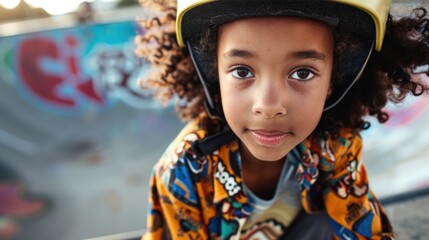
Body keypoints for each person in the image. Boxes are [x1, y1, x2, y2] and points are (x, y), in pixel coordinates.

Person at [135, 0, 429, 239]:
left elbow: (364, 230)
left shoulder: (335, 145)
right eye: (241, 71)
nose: (268, 106)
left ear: (333, 81)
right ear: (213, 73)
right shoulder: (184, 169)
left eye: (302, 73)